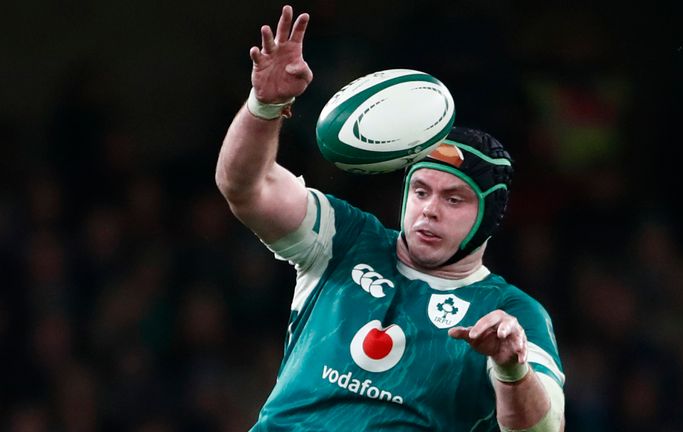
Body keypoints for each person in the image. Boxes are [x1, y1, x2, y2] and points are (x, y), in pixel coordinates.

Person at [215, 5, 565, 431]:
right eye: (420, 191)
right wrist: (265, 106)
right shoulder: (343, 239)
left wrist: (512, 370)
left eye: (454, 200)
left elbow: (545, 429)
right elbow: (246, 187)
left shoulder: (509, 314)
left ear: (488, 217)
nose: (430, 208)